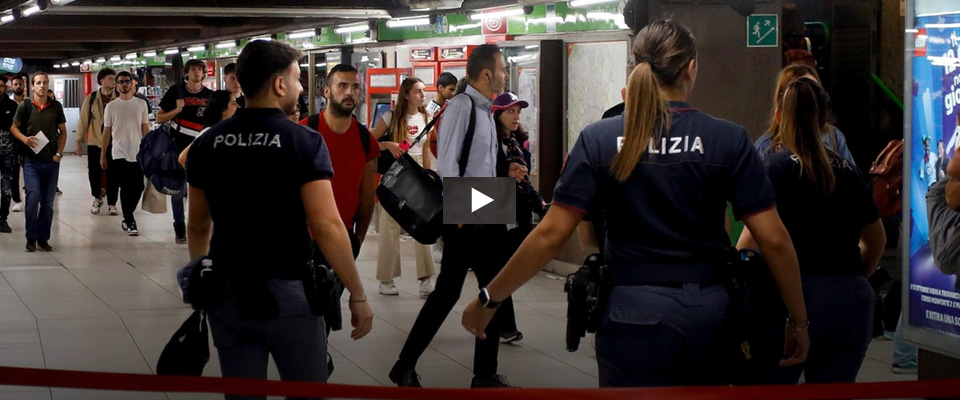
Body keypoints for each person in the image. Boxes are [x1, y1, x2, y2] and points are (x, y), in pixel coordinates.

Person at [460, 21, 810, 387]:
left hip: (631, 313)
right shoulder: (728, 139)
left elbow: (550, 235)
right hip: (711, 314)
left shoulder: (599, 139)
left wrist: (490, 298)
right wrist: (798, 320)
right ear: (691, 68)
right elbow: (773, 239)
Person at [186, 40, 373, 400]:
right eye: (298, 79)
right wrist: (358, 295)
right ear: (279, 84)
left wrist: (201, 276)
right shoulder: (303, 140)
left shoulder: (207, 143)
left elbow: (197, 225)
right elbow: (327, 226)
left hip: (227, 291)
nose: (302, 88)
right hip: (290, 294)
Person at [738, 78, 885, 384]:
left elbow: (749, 244)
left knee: (771, 389)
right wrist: (854, 277)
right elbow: (876, 239)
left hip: (788, 301)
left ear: (779, 116)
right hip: (849, 299)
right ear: (823, 119)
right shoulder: (845, 170)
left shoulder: (773, 169)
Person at [390, 44, 517, 389]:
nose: (505, 74)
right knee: (450, 292)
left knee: (492, 291)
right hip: (469, 209)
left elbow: (484, 164)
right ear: (487, 73)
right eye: (502, 69)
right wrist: (460, 210)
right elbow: (448, 161)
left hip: (487, 203)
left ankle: (484, 374)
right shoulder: (463, 107)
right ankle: (406, 366)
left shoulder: (485, 109)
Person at [298, 64, 377, 258]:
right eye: (342, 86)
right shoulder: (303, 132)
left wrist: (358, 239)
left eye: (355, 87)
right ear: (327, 91)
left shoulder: (366, 140)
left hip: (343, 237)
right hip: (303, 237)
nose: (349, 92)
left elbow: (367, 199)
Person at [371, 77, 435, 298]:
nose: (422, 95)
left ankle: (426, 278)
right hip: (397, 176)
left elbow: (426, 148)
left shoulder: (427, 117)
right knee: (389, 228)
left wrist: (428, 175)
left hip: (418, 174)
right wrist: (388, 145)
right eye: (418, 91)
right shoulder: (390, 117)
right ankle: (386, 279)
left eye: (423, 91)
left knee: (422, 223)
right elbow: (369, 142)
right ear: (406, 94)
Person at [492, 91, 547, 344]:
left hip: (518, 212)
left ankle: (494, 318)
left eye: (518, 112)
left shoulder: (518, 143)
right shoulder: (491, 143)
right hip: (494, 209)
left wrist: (541, 206)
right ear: (497, 114)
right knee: (499, 267)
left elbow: (525, 182)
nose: (515, 116)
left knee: (501, 268)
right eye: (509, 111)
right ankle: (505, 326)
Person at [157, 58, 214, 244]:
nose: (197, 72)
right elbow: (159, 118)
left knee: (201, 189)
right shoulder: (176, 91)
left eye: (200, 69)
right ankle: (179, 227)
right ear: (187, 73)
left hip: (202, 148)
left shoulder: (210, 96)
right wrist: (176, 109)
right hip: (178, 146)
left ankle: (201, 225)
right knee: (178, 190)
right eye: (193, 69)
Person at [755, 64, 856, 167]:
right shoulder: (765, 147)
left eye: (814, 92)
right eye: (799, 94)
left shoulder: (834, 137)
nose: (808, 103)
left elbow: (852, 179)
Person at [10, 72, 67, 253]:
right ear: (32, 87)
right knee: (33, 198)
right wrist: (24, 139)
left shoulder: (56, 107)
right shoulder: (25, 106)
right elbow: (13, 127)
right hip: (31, 162)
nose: (42, 86)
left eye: (45, 83)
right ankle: (31, 237)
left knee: (48, 203)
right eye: (38, 83)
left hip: (51, 162)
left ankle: (43, 238)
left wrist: (58, 153)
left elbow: (63, 132)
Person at [100, 71, 150, 236]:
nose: (124, 84)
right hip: (118, 153)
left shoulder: (141, 104)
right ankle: (130, 220)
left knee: (138, 187)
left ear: (133, 83)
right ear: (116, 85)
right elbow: (106, 132)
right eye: (120, 82)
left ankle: (128, 216)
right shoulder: (111, 107)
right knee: (125, 187)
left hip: (137, 152)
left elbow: (145, 128)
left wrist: (148, 149)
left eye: (127, 81)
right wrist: (102, 154)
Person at [77, 68, 118, 215]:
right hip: (95, 142)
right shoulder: (92, 98)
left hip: (114, 143)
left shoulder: (119, 98)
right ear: (101, 80)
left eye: (114, 78)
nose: (113, 81)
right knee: (94, 172)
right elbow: (83, 120)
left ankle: (112, 202)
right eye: (110, 78)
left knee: (113, 172)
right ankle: (97, 197)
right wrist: (79, 141)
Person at [177, 90, 239, 168]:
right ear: (223, 110)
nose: (238, 106)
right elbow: (182, 159)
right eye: (233, 103)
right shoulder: (209, 132)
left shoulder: (227, 131)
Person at [0, 76, 19, 233]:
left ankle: (3, 219)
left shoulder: (13, 106)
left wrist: (18, 151)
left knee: (6, 188)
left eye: (0, 86)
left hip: (8, 153)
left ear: (5, 87)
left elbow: (18, 129)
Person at [7, 75, 25, 213]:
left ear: (24, 85)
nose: (18, 86)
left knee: (31, 171)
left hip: (30, 142)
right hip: (13, 143)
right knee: (14, 173)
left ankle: (31, 196)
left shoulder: (30, 103)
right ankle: (17, 200)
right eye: (15, 84)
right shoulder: (8, 104)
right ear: (11, 86)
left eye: (20, 84)